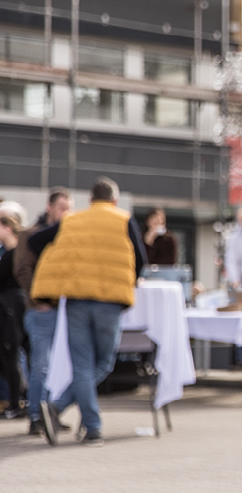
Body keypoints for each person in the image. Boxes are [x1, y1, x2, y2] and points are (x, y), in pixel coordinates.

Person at [29, 177, 148, 446]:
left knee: (82, 365)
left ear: (90, 200)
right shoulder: (123, 219)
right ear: (114, 201)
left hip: (76, 301)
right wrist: (128, 280)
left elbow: (36, 241)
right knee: (103, 363)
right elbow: (140, 260)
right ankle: (88, 426)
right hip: (109, 302)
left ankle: (60, 409)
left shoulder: (73, 220)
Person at [13, 187, 73, 435]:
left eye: (69, 208)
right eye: (62, 207)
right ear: (49, 207)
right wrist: (39, 300)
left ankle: (52, 413)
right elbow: (22, 270)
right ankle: (37, 415)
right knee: (41, 365)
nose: (66, 213)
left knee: (60, 366)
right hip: (42, 311)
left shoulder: (68, 234)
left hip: (64, 310)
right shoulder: (31, 235)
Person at [0, 215, 25, 419]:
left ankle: (16, 402)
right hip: (10, 307)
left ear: (7, 228)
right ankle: (16, 401)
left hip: (12, 309)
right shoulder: (9, 252)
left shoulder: (15, 253)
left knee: (11, 354)